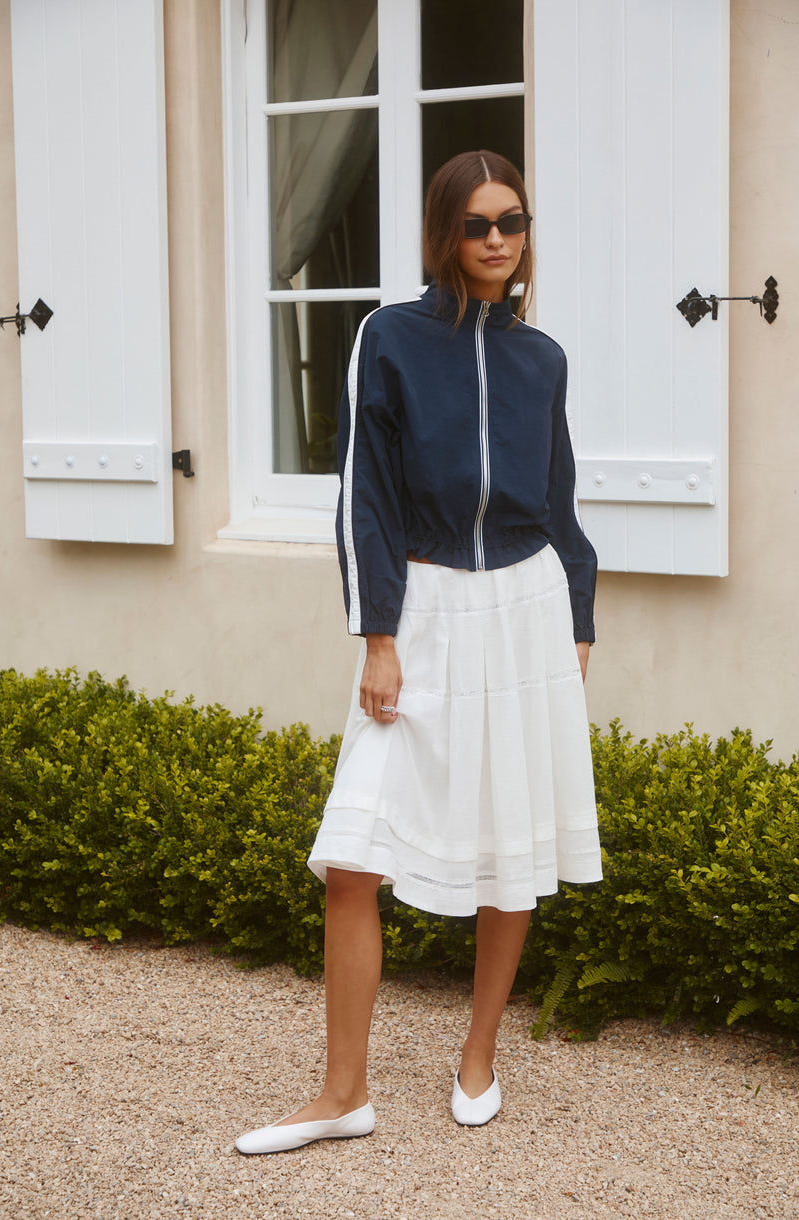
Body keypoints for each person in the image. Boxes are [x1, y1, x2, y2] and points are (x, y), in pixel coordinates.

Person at [236, 150, 603, 1155]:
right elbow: (366, 495)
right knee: (353, 856)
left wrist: (577, 617)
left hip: (527, 604)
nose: (497, 239)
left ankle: (477, 1050)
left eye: (513, 221)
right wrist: (379, 636)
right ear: (444, 232)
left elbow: (561, 503)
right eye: (479, 223)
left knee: (510, 843)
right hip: (427, 602)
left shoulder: (542, 358)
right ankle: (340, 1091)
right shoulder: (386, 339)